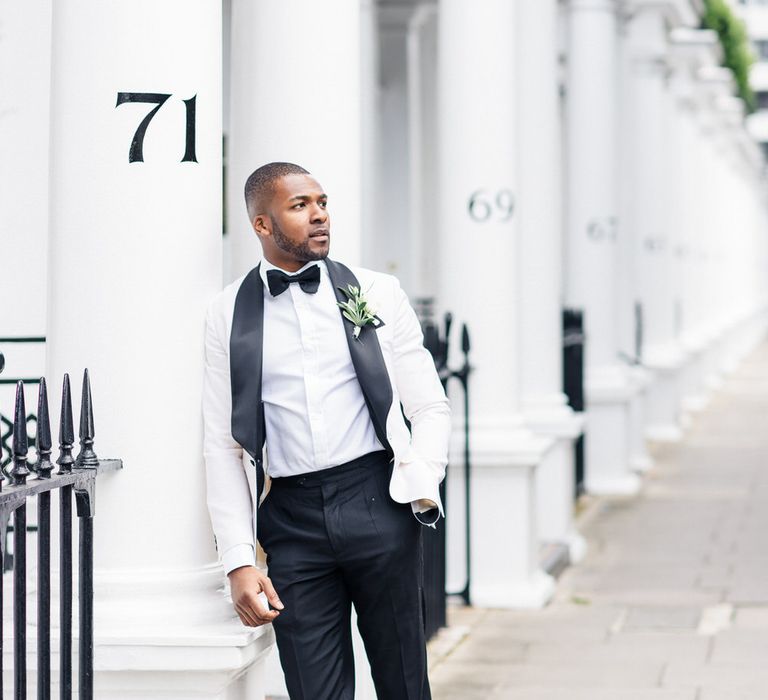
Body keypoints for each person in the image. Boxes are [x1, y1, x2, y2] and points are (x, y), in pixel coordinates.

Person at [202, 161, 450, 699]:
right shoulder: (227, 313)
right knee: (314, 690)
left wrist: (421, 481)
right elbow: (223, 442)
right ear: (262, 225)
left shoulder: (378, 293)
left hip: (377, 501)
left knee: (404, 682)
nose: (319, 216)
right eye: (300, 206)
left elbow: (430, 406)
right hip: (290, 524)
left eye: (322, 202)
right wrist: (239, 561)